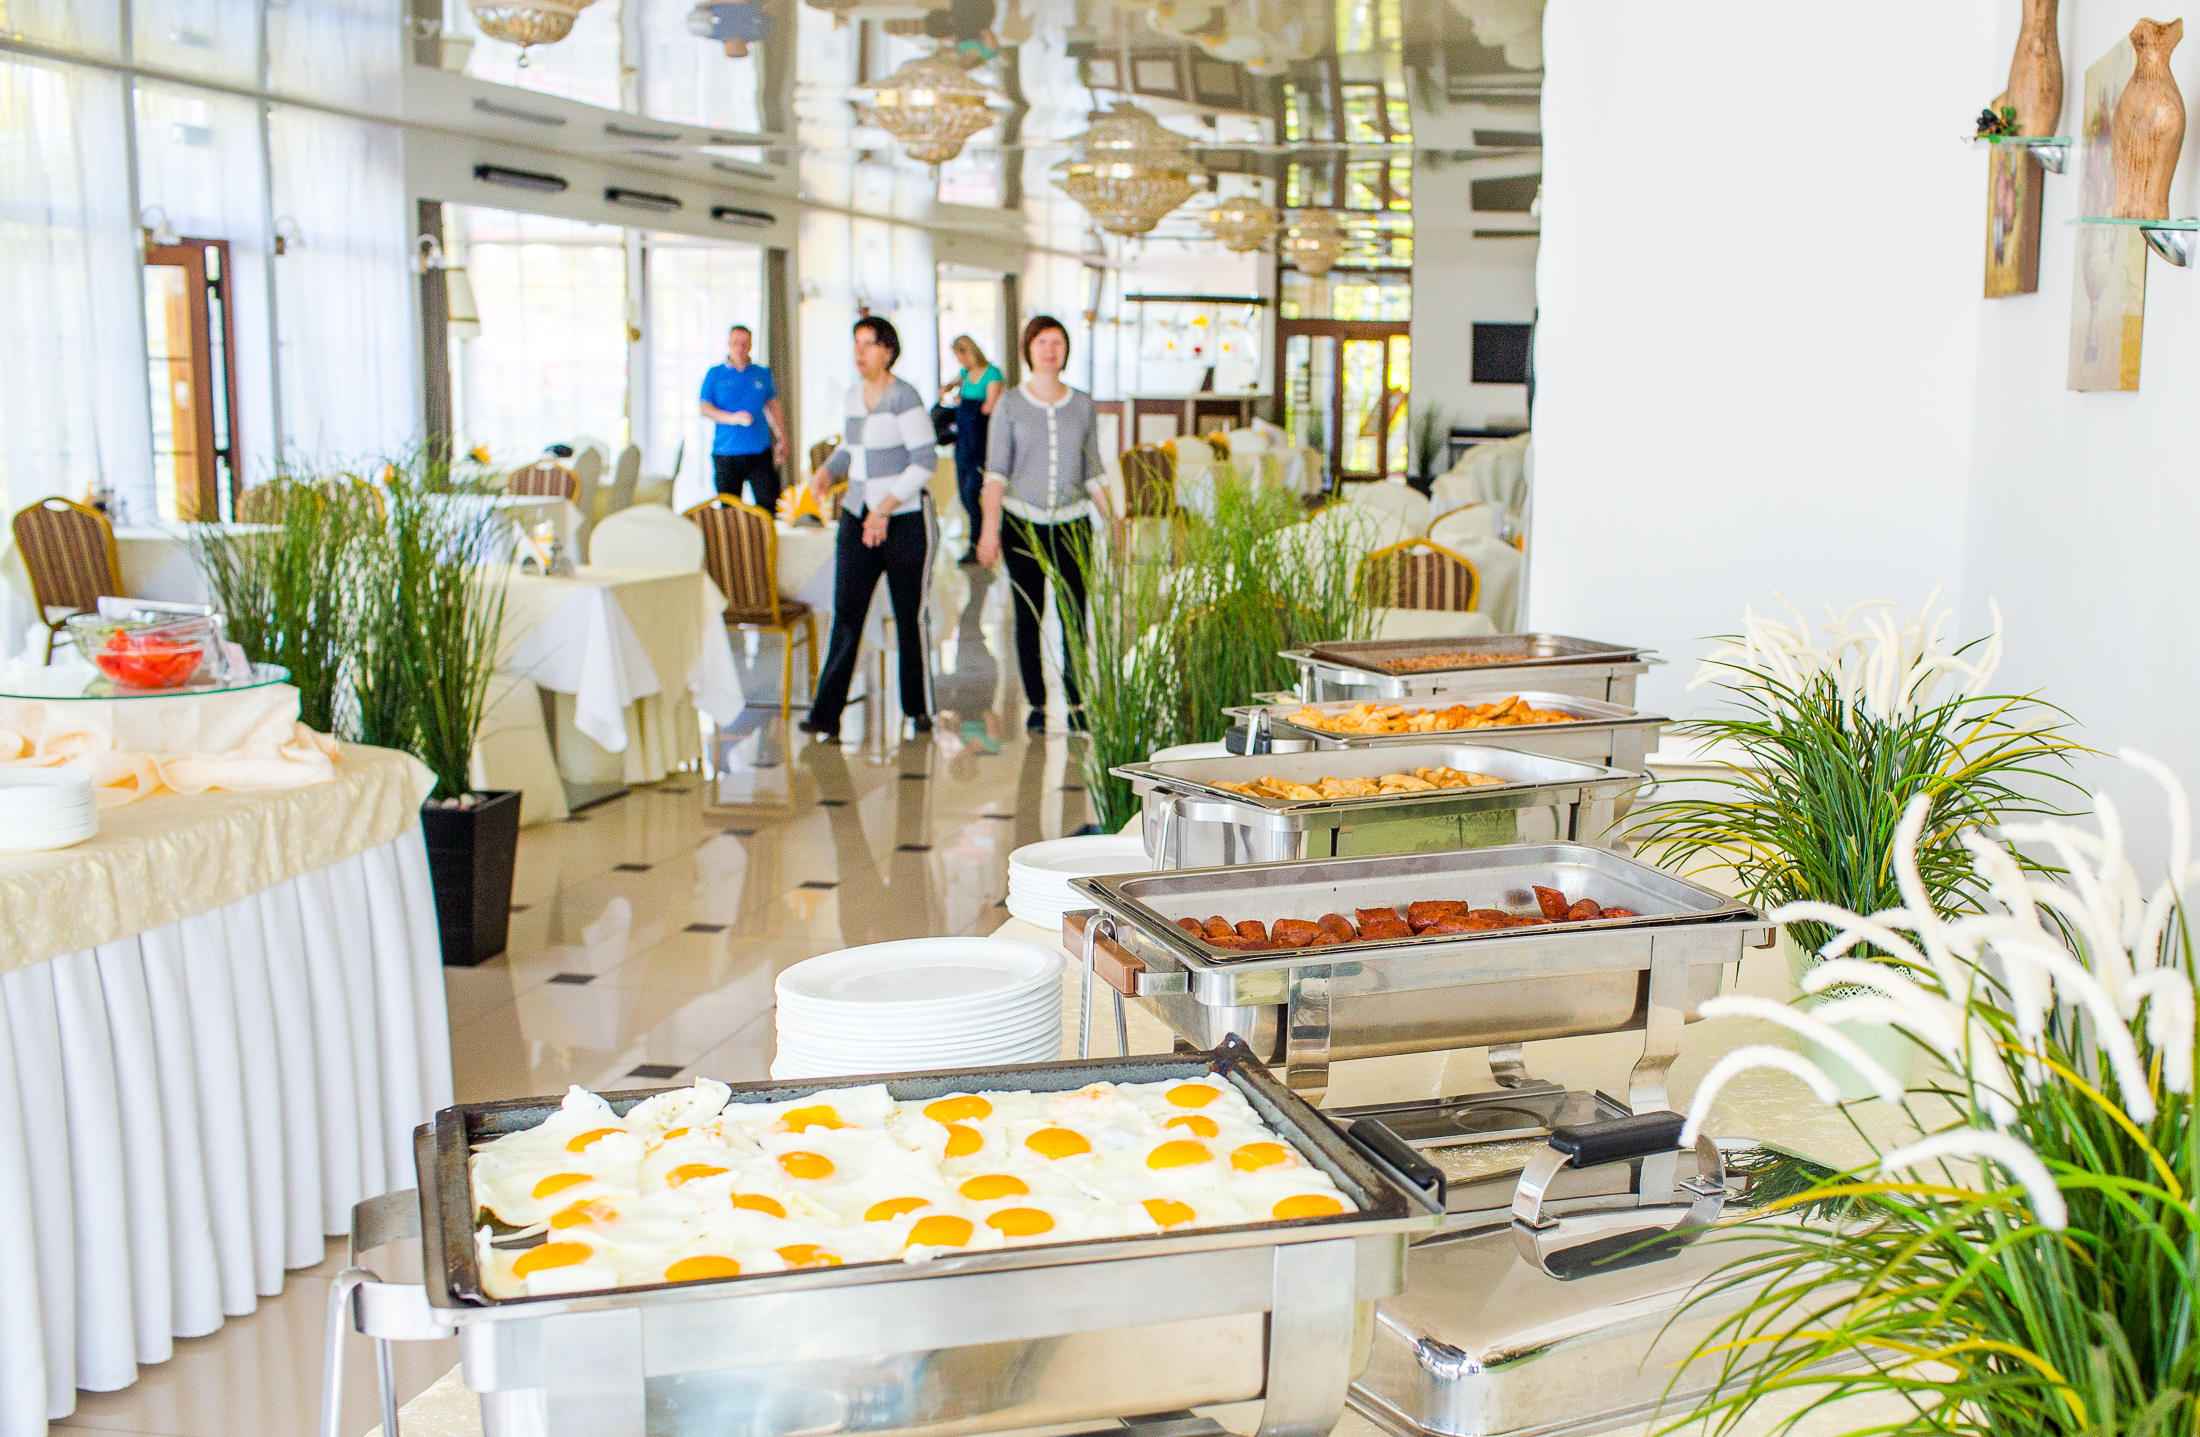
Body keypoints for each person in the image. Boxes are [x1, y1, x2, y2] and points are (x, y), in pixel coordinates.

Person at [799, 316, 939, 740]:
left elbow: (924, 461)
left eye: (868, 344)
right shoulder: (852, 398)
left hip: (904, 520)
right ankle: (826, 714)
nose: (859, 352)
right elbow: (851, 448)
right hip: (857, 517)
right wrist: (827, 471)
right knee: (846, 614)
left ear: (888, 351)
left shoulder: (903, 397)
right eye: (856, 344)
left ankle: (918, 708)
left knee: (908, 616)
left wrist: (885, 508)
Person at [976, 315, 1109, 732]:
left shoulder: (1083, 404)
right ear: (1028, 350)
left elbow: (1093, 468)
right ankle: (1036, 702)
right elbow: (996, 472)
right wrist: (989, 530)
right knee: (1028, 613)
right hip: (1023, 523)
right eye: (1042, 342)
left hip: (1072, 523)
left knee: (1074, 613)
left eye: (1057, 342)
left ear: (1066, 351)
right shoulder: (1010, 404)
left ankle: (1076, 700)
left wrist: (1115, 519)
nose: (1050, 350)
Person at [699, 323, 788, 516]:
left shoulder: (762, 373)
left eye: (744, 344)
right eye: (736, 343)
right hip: (726, 453)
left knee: (769, 506)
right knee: (729, 512)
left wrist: (782, 436)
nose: (740, 348)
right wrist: (732, 418)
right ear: (729, 344)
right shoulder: (715, 374)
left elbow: (773, 406)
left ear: (750, 345)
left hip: (759, 452)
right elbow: (705, 408)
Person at [937, 335, 1003, 564]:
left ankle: (978, 542)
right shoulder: (964, 374)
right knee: (965, 494)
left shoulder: (992, 373)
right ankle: (978, 539)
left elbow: (990, 406)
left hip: (981, 442)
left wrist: (969, 409)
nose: (960, 361)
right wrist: (951, 394)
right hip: (963, 442)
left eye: (961, 356)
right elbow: (948, 387)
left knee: (972, 493)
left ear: (969, 352)